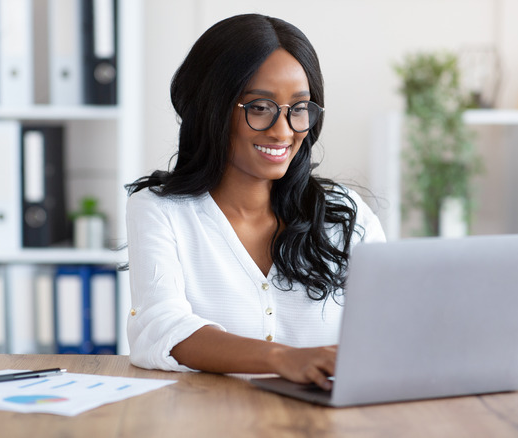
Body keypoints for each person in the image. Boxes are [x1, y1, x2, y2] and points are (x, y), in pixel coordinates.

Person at [125, 13, 385, 391]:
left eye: (298, 109)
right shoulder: (161, 210)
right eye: (260, 107)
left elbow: (392, 327)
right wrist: (283, 358)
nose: (283, 131)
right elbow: (160, 329)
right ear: (212, 108)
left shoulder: (345, 214)